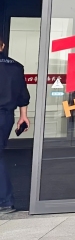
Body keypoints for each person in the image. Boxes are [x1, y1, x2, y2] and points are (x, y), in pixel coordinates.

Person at [0, 37, 31, 214]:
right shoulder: (16, 66)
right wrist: (23, 116)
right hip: (6, 117)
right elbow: (23, 95)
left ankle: (6, 201)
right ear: (2, 46)